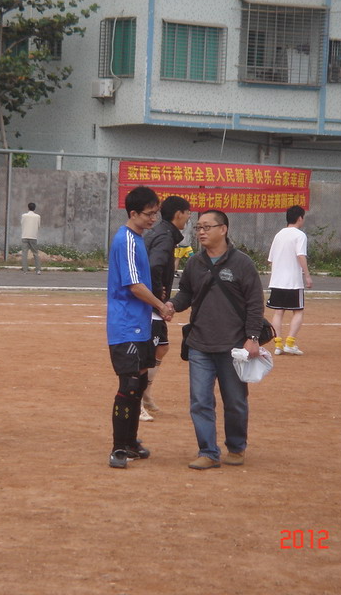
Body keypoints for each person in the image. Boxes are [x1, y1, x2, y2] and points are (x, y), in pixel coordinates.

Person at [167, 210, 265, 470]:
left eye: (207, 227)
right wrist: (172, 305)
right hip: (199, 344)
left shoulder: (242, 263)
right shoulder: (194, 263)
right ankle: (208, 451)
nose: (201, 232)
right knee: (200, 401)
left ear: (223, 229)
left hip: (233, 346)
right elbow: (186, 294)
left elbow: (255, 303)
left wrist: (252, 337)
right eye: (198, 227)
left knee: (235, 401)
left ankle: (236, 447)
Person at [106, 186, 173, 469]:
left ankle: (131, 442)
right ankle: (119, 447)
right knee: (130, 384)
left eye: (155, 213)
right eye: (148, 214)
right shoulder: (127, 240)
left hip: (140, 324)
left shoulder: (137, 239)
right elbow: (134, 285)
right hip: (126, 325)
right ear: (133, 213)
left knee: (140, 381)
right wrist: (161, 305)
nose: (153, 218)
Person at [140, 195, 191, 422]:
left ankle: (145, 394)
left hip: (151, 303)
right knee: (147, 353)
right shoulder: (164, 236)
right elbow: (154, 266)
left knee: (162, 347)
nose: (189, 218)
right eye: (188, 213)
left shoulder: (164, 233)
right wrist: (158, 297)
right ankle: (136, 400)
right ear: (178, 214)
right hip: (149, 304)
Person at [266, 205, 313, 355]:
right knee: (298, 311)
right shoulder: (300, 235)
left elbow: (271, 259)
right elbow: (301, 255)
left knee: (278, 312)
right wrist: (307, 275)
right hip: (293, 281)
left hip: (277, 281)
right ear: (300, 218)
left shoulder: (279, 235)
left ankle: (278, 344)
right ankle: (290, 343)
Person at [20, 202, 42, 275]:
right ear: (34, 208)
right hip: (33, 236)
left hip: (25, 236)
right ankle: (38, 270)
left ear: (28, 208)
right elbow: (38, 226)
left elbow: (22, 223)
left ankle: (25, 270)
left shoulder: (24, 216)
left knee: (24, 254)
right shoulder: (37, 216)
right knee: (35, 253)